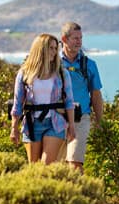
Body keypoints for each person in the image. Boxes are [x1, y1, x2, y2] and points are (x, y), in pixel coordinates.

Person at [10, 33, 76, 164]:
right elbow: (18, 104)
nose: (54, 52)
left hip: (55, 123)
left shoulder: (62, 73)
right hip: (31, 124)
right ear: (40, 49)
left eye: (55, 48)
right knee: (33, 166)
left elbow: (69, 102)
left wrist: (72, 126)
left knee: (46, 165)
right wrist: (14, 128)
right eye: (50, 48)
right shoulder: (24, 73)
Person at [60, 22, 104, 170]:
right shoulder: (53, 63)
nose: (79, 42)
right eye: (75, 38)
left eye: (81, 38)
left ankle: (80, 192)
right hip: (56, 117)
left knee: (75, 163)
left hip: (81, 117)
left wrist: (99, 121)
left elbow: (96, 94)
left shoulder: (89, 65)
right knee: (57, 165)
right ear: (64, 39)